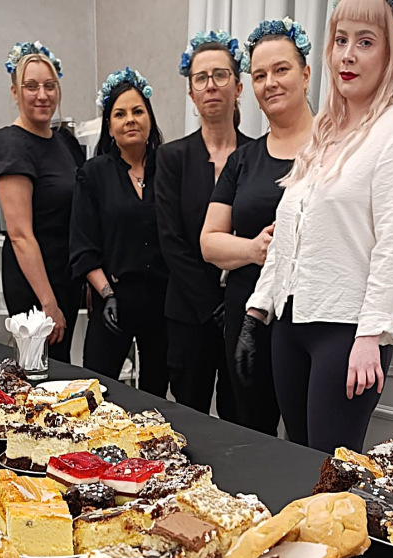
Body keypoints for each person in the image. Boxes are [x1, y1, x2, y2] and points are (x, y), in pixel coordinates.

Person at [237, 0, 393, 454]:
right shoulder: (325, 130)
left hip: (345, 331)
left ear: (391, 52)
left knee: (330, 473)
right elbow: (290, 230)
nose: (347, 55)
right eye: (341, 40)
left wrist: (372, 335)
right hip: (291, 322)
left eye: (365, 42)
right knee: (297, 460)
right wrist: (257, 310)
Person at [201, 19, 314, 436]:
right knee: (251, 433)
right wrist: (254, 249)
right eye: (260, 75)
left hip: (310, 316)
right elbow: (209, 242)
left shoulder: (335, 149)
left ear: (305, 74)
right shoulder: (243, 160)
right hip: (247, 314)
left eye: (281, 70)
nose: (270, 83)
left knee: (308, 438)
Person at [155, 31, 252, 420]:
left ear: (238, 87)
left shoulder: (257, 155)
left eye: (220, 75)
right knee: (188, 420)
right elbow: (171, 241)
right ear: (191, 93)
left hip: (245, 312)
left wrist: (234, 306)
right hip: (188, 314)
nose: (211, 85)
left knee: (242, 418)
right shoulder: (171, 158)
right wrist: (213, 305)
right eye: (201, 78)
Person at [68, 69, 168, 396]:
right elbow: (83, 246)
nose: (130, 120)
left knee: (156, 397)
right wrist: (107, 294)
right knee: (97, 392)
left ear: (150, 119)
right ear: (109, 126)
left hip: (163, 303)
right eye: (120, 114)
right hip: (112, 298)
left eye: (138, 111)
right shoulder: (93, 174)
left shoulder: (169, 169)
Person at [0, 40, 86, 363]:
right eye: (31, 86)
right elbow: (20, 234)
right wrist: (48, 302)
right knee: (39, 369)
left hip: (65, 275)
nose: (42, 95)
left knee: (62, 364)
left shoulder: (66, 142)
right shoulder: (10, 143)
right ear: (15, 92)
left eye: (49, 86)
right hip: (34, 282)